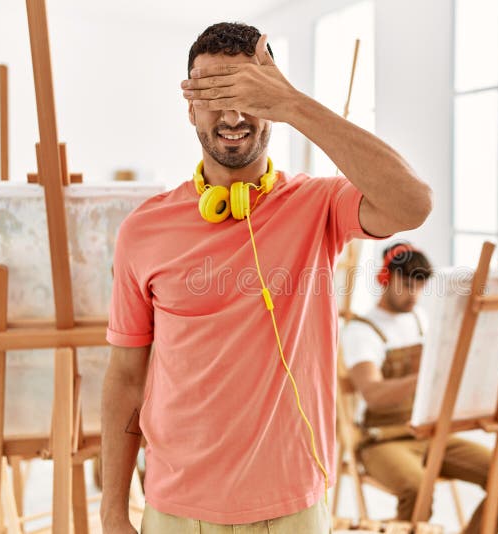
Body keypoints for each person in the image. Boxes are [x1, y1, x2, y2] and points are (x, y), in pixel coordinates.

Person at [99, 22, 432, 534]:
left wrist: (294, 104)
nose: (232, 114)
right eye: (213, 94)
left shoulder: (319, 205)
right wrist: (112, 511)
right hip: (175, 508)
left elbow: (413, 203)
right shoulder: (142, 231)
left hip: (292, 507)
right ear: (190, 107)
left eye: (247, 93)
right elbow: (125, 378)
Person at [340, 243, 498, 534]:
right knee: (417, 488)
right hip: (383, 440)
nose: (414, 293)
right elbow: (373, 395)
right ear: (385, 278)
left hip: (428, 430)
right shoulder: (362, 330)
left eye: (420, 285)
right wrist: (424, 377)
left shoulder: (420, 319)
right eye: (407, 284)